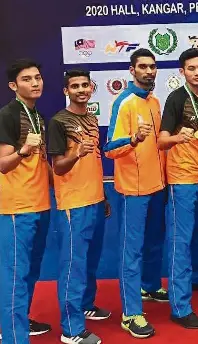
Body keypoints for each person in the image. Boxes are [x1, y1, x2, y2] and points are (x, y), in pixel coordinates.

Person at [104, 48, 168, 339]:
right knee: (132, 251)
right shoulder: (125, 102)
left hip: (157, 186)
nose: (149, 71)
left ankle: (150, 286)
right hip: (133, 190)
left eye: (152, 66)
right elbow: (110, 148)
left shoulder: (155, 101)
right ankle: (131, 313)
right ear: (132, 70)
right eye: (142, 66)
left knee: (155, 242)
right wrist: (133, 139)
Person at [47, 70, 112, 344]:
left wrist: (103, 195)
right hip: (74, 204)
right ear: (66, 91)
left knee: (90, 262)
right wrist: (75, 153)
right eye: (75, 86)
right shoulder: (58, 122)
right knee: (73, 266)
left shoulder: (91, 119)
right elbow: (57, 168)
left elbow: (94, 162)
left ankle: (86, 304)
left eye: (85, 85)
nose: (81, 90)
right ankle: (71, 330)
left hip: (95, 200)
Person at [158, 48, 198, 329]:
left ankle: (196, 278)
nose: (197, 72)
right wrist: (177, 138)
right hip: (180, 179)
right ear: (182, 72)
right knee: (179, 242)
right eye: (191, 68)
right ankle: (180, 307)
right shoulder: (176, 98)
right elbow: (161, 141)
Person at [0, 59, 52, 343]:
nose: (35, 83)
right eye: (27, 79)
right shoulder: (8, 115)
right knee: (14, 278)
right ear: (13, 85)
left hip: (39, 204)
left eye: (37, 77)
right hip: (16, 209)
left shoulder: (37, 116)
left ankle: (19, 324)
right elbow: (3, 164)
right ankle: (13, 338)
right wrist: (22, 150)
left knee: (30, 272)